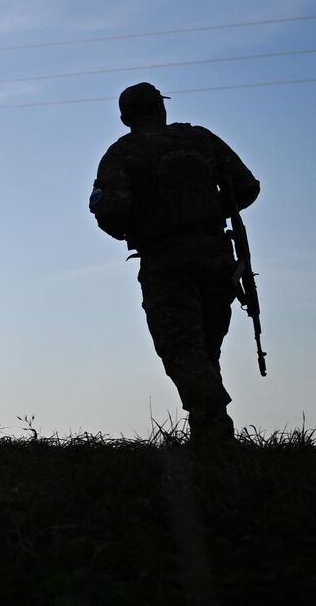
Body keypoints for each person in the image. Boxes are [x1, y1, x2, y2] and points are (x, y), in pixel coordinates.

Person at [90, 82, 260, 447]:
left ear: (124, 118)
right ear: (160, 109)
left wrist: (144, 227)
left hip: (166, 265)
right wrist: (210, 214)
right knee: (204, 347)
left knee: (182, 347)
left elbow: (110, 213)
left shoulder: (123, 154)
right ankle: (210, 437)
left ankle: (214, 425)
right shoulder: (199, 139)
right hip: (216, 260)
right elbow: (247, 187)